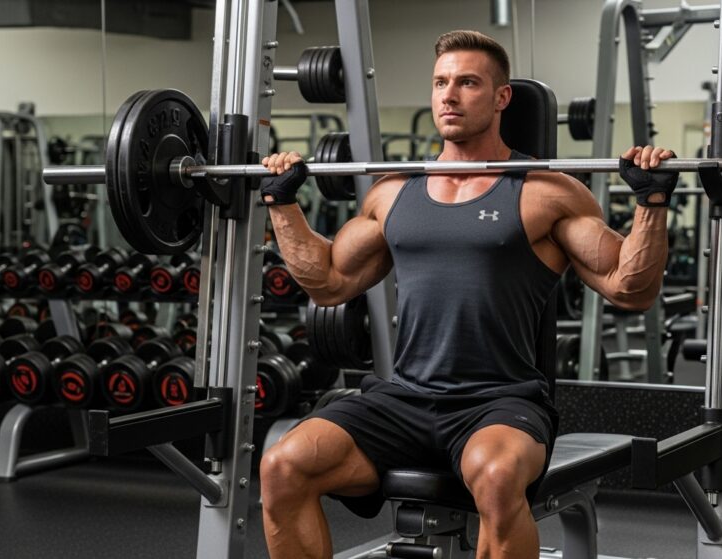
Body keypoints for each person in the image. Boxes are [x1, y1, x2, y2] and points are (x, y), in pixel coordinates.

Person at [257, 30, 678, 559]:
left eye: (467, 83)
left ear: (501, 97)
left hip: (500, 402)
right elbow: (329, 281)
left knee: (499, 481)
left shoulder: (545, 191)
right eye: (440, 83)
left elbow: (630, 288)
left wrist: (651, 201)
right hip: (404, 399)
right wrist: (281, 203)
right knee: (281, 465)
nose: (449, 96)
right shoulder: (392, 193)